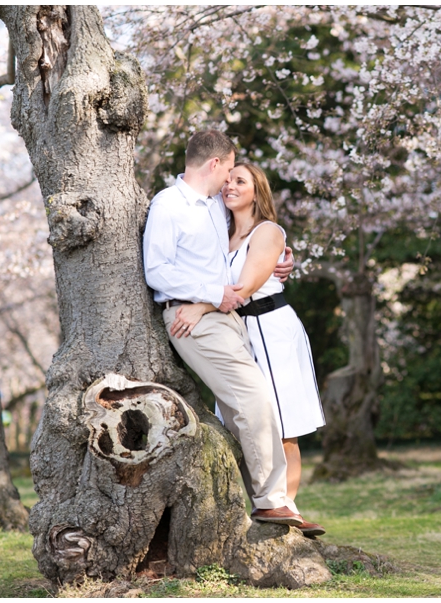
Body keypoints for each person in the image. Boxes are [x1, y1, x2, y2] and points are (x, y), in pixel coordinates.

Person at [143, 130, 302, 527]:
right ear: (215, 164)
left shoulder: (215, 204)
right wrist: (209, 295)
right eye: (229, 169)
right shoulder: (169, 205)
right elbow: (156, 270)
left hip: (225, 315)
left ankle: (248, 503)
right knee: (253, 396)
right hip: (190, 318)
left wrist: (282, 255)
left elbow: (253, 234)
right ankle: (271, 500)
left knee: (236, 411)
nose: (230, 179)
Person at [168, 162, 327, 537]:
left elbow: (247, 286)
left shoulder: (268, 232)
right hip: (235, 330)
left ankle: (288, 509)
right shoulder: (217, 234)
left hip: (271, 329)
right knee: (243, 420)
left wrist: (200, 306)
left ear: (258, 191)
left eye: (241, 181)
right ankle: (264, 502)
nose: (231, 186)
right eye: (228, 180)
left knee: (282, 424)